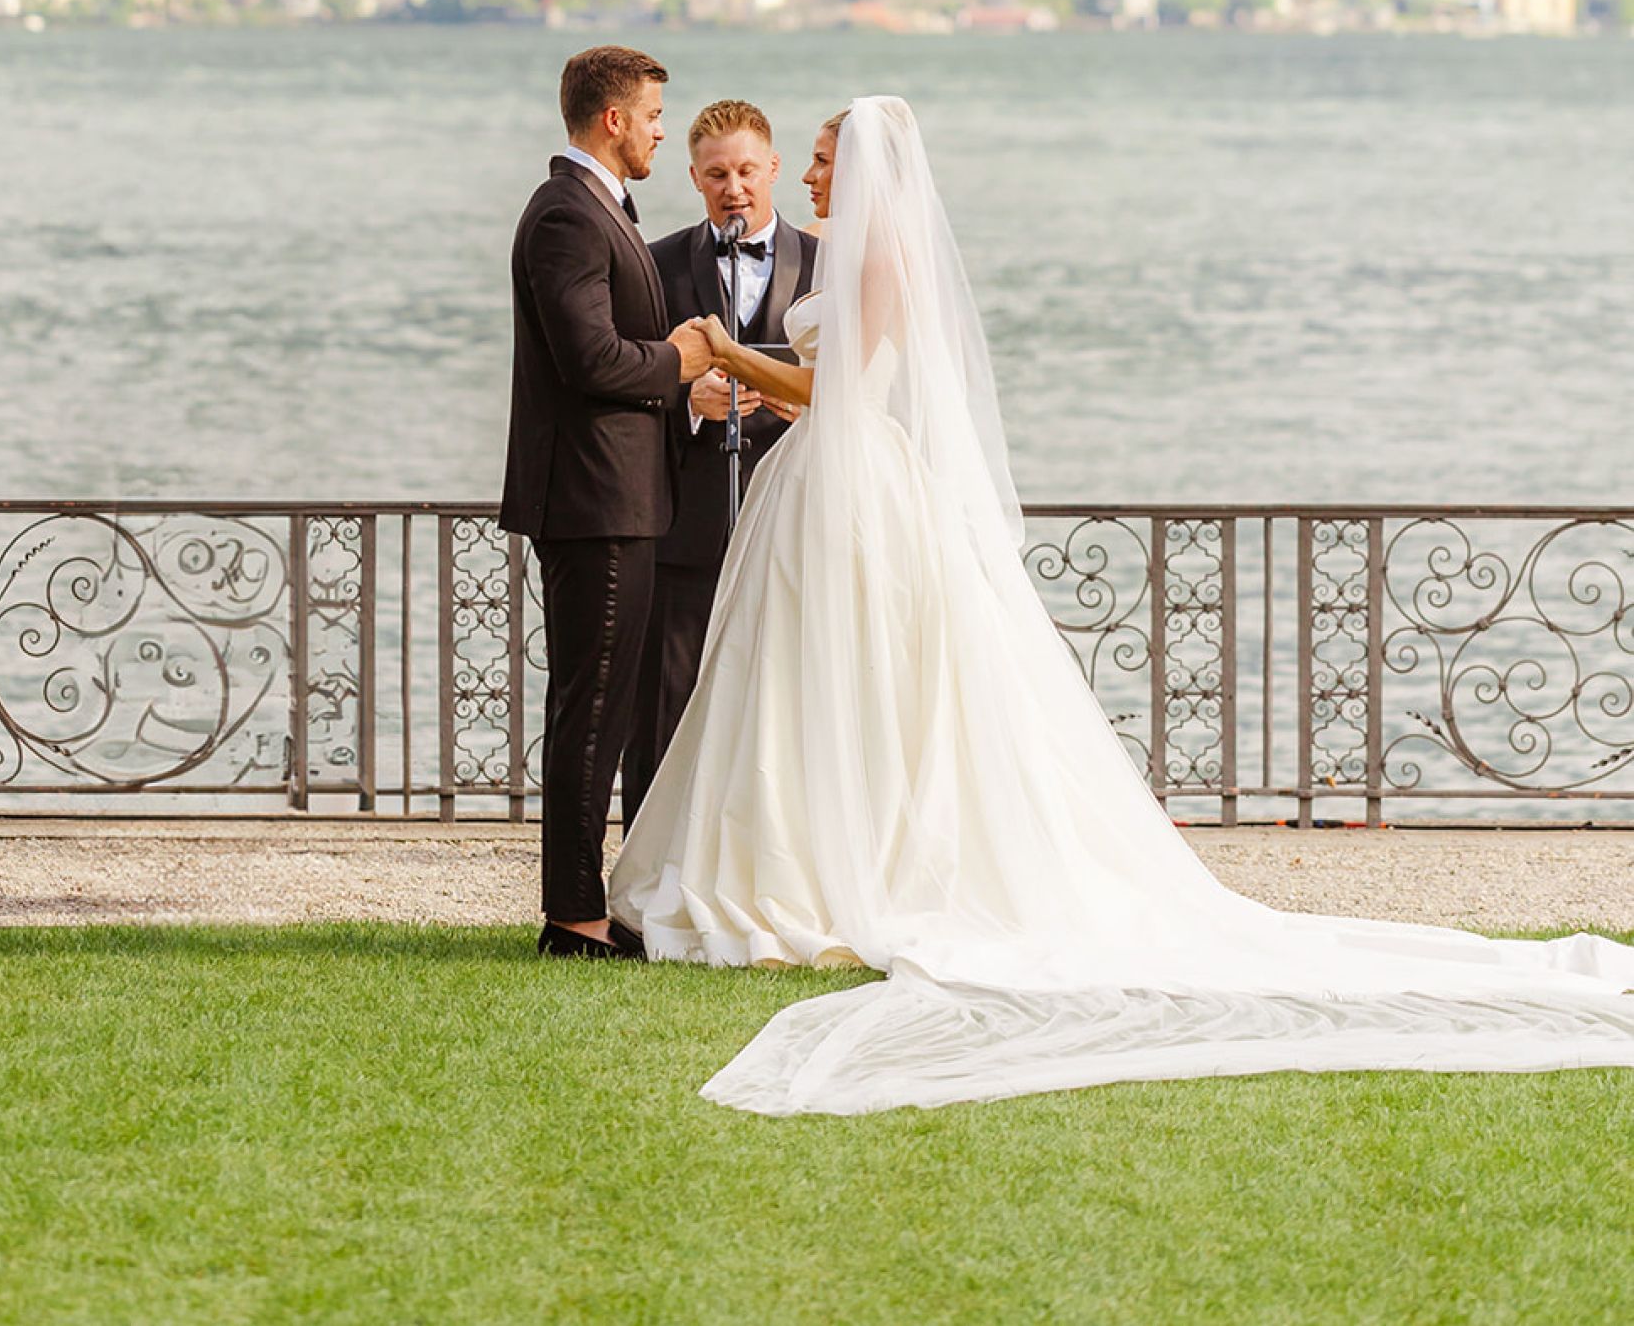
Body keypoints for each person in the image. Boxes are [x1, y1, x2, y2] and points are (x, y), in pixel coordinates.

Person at [612, 96, 1634, 1111]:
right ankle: (814, 854)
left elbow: (843, 394)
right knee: (810, 680)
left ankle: (837, 865)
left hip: (851, 478)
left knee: (847, 675)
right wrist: (746, 376)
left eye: (825, 158)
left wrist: (723, 355)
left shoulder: (879, 260)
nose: (812, 178)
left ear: (865, 166)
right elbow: (826, 378)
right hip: (827, 480)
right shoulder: (857, 255)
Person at [500, 45, 713, 960]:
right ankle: (574, 918)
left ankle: (595, 904)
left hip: (622, 498)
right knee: (590, 711)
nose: (664, 129)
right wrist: (679, 362)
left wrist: (680, 389)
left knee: (607, 708)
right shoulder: (567, 216)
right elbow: (590, 359)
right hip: (595, 501)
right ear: (612, 119)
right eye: (656, 114)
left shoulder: (598, 210)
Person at [620, 99, 820, 826]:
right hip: (687, 527)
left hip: (797, 523)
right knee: (664, 708)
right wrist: (685, 397)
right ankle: (647, 876)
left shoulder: (829, 267)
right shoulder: (656, 263)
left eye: (745, 170)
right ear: (695, 180)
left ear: (772, 168)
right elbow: (628, 383)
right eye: (715, 175)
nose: (733, 187)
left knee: (788, 707)